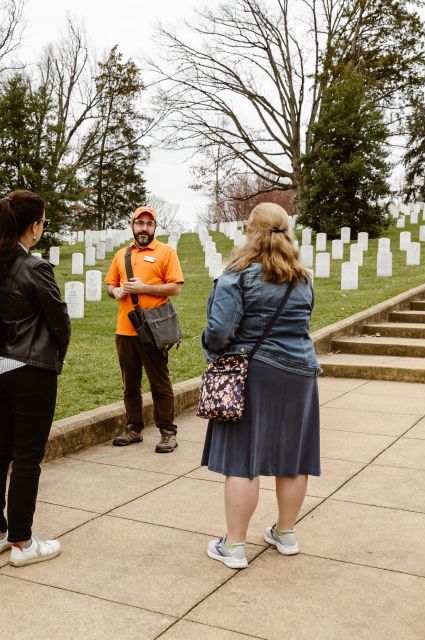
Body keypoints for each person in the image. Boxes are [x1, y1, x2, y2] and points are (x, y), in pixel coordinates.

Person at [200, 202, 321, 570]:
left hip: (254, 373)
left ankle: (234, 546)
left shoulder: (236, 276)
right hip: (300, 373)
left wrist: (209, 348)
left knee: (243, 459)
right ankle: (285, 533)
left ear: (250, 231)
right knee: (294, 457)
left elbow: (220, 331)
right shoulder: (303, 278)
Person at [0, 189, 71, 567]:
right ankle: (22, 541)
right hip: (29, 370)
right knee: (28, 457)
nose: (42, 228)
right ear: (33, 226)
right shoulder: (35, 267)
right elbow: (58, 320)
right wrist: (56, 357)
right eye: (43, 222)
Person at [106, 205, 185, 453]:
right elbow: (110, 285)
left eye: (149, 224)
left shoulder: (166, 253)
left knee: (159, 383)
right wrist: (115, 291)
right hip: (125, 329)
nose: (144, 228)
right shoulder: (121, 255)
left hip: (153, 330)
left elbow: (175, 288)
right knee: (130, 384)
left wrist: (144, 287)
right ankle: (134, 428)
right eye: (140, 223)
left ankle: (167, 432)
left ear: (155, 228)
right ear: (132, 225)